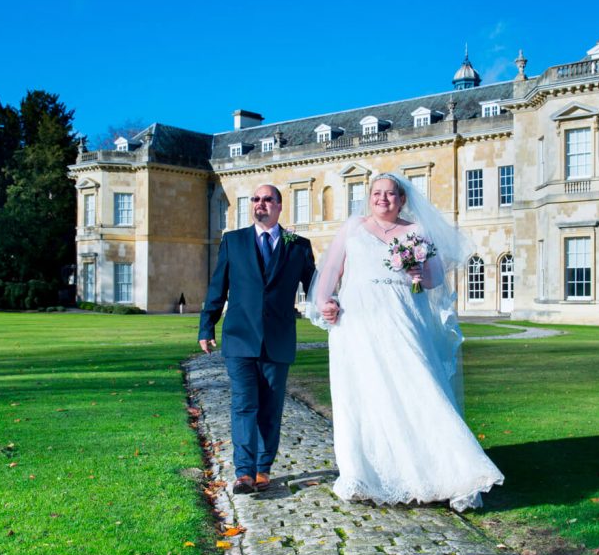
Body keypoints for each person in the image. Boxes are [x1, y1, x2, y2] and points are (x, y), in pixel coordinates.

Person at [308, 173, 503, 511]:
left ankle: (444, 471)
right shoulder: (353, 228)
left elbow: (434, 279)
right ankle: (366, 474)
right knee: (364, 397)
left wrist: (418, 272)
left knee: (419, 388)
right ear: (368, 197)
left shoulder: (415, 232)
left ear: (402, 199)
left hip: (402, 319)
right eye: (377, 193)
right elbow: (330, 273)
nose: (382, 199)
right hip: (356, 324)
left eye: (390, 194)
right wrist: (325, 301)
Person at [199, 185, 316, 494]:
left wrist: (333, 305)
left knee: (271, 407)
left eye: (267, 200)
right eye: (255, 199)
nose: (260, 204)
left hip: (278, 338)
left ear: (279, 206)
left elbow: (316, 287)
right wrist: (206, 325)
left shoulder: (297, 244)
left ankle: (264, 468)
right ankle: (244, 473)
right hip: (239, 337)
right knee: (243, 404)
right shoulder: (233, 240)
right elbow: (218, 287)